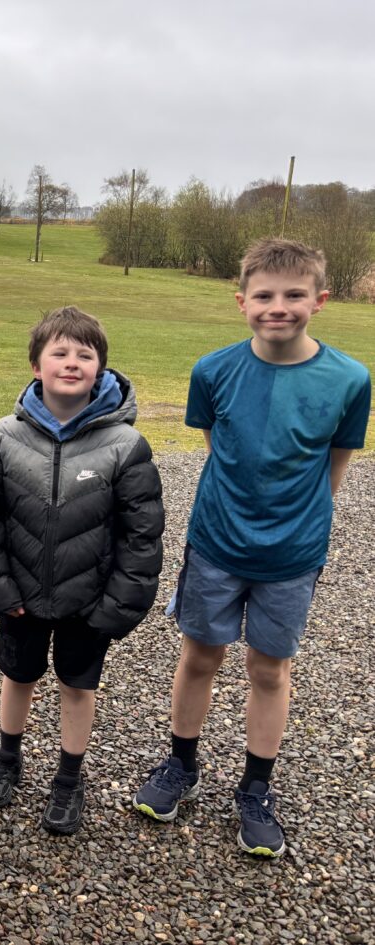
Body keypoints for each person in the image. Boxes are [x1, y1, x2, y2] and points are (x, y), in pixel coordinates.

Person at [133, 238, 370, 857]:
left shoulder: (350, 379)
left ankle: (256, 788)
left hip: (291, 556)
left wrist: (300, 526)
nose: (278, 307)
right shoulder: (212, 371)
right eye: (264, 295)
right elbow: (221, 449)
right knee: (200, 657)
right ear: (242, 302)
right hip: (216, 543)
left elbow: (335, 465)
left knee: (269, 669)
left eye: (294, 295)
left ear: (320, 300)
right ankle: (182, 764)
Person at [0, 306, 164, 834]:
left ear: (100, 369)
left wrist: (116, 606)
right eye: (60, 353)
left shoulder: (125, 445)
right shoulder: (5, 436)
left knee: (78, 687)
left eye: (85, 354)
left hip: (88, 602)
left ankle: (69, 778)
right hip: (21, 597)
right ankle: (7, 758)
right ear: (37, 365)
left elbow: (141, 534)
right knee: (17, 676)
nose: (72, 362)